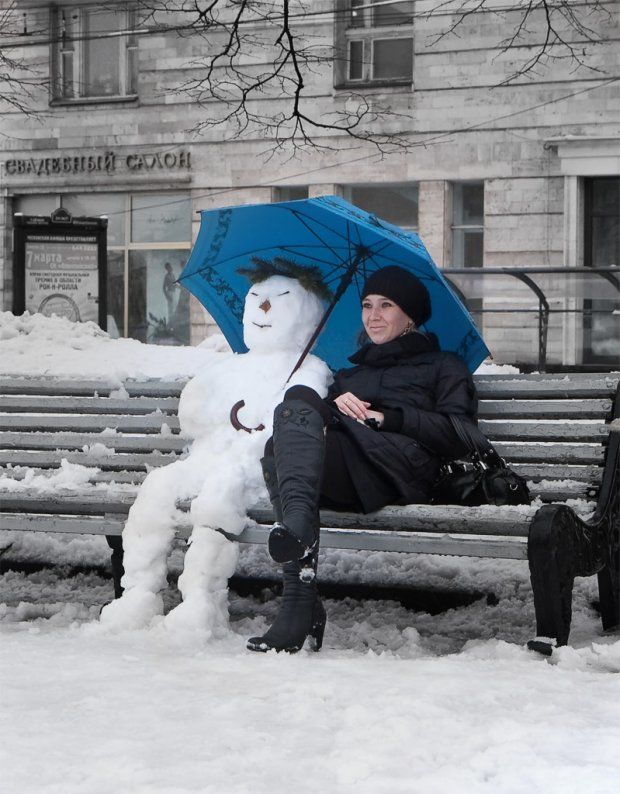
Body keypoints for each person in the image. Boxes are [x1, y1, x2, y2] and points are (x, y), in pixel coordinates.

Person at [247, 265, 479, 654]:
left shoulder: (444, 366)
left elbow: (464, 435)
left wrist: (390, 417)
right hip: (351, 468)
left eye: (386, 305)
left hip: (400, 473)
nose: (373, 315)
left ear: (411, 316)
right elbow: (312, 428)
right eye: (367, 305)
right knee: (297, 403)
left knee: (286, 445)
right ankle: (300, 596)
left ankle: (297, 599)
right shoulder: (353, 372)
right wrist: (334, 405)